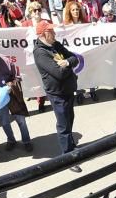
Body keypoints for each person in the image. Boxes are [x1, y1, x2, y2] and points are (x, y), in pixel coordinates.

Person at [32, 20, 81, 172]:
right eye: (51, 31)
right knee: (63, 124)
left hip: (67, 89)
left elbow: (75, 58)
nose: (54, 33)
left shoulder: (55, 44)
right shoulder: (40, 52)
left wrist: (66, 63)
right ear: (43, 34)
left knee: (70, 118)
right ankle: (67, 158)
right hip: (57, 93)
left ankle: (71, 146)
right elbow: (58, 73)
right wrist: (68, 65)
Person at [0, 45, 32, 152]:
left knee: (21, 119)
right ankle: (11, 140)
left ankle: (26, 141)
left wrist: (10, 85)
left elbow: (17, 76)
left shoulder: (6, 61)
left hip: (11, 94)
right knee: (4, 121)